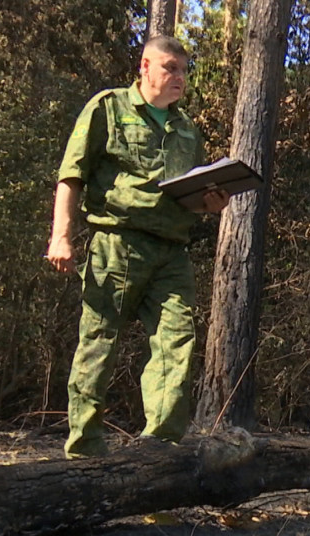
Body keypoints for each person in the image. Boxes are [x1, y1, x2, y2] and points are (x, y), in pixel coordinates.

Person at [45, 35, 229, 458]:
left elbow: (188, 195)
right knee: (99, 342)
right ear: (144, 67)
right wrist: (61, 236)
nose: (180, 78)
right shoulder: (108, 108)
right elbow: (72, 175)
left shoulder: (186, 130)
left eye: (184, 71)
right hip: (117, 244)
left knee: (176, 343)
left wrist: (210, 203)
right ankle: (84, 451)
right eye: (170, 68)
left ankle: (158, 455)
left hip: (171, 253)